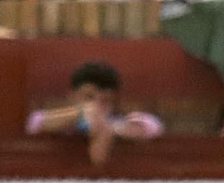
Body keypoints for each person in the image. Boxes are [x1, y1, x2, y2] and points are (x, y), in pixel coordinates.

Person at [26, 61, 166, 166]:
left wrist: (109, 128)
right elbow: (36, 122)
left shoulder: (118, 120)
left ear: (114, 102)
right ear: (72, 96)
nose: (96, 105)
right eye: (88, 97)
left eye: (105, 100)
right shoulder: (61, 119)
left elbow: (153, 126)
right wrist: (80, 114)